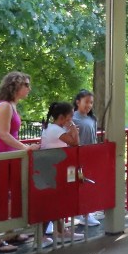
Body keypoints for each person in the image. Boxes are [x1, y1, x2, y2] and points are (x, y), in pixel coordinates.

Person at [0, 71, 34, 252]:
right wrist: (25, 148)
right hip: (0, 155)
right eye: (26, 85)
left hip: (9, 156)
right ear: (15, 86)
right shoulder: (5, 106)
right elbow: (4, 135)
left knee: (10, 196)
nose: (29, 88)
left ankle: (10, 232)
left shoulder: (11, 105)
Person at [39, 101, 83, 244]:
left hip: (51, 168)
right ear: (63, 117)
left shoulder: (53, 128)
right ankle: (42, 235)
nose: (72, 119)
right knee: (51, 202)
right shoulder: (55, 130)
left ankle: (60, 230)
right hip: (51, 169)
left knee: (56, 201)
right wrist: (74, 129)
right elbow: (75, 142)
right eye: (70, 116)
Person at [72, 89, 101, 227]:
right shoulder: (72, 118)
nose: (89, 105)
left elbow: (93, 137)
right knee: (73, 185)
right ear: (78, 102)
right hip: (76, 156)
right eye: (86, 102)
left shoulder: (92, 119)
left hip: (89, 155)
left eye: (91, 103)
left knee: (87, 184)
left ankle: (86, 213)